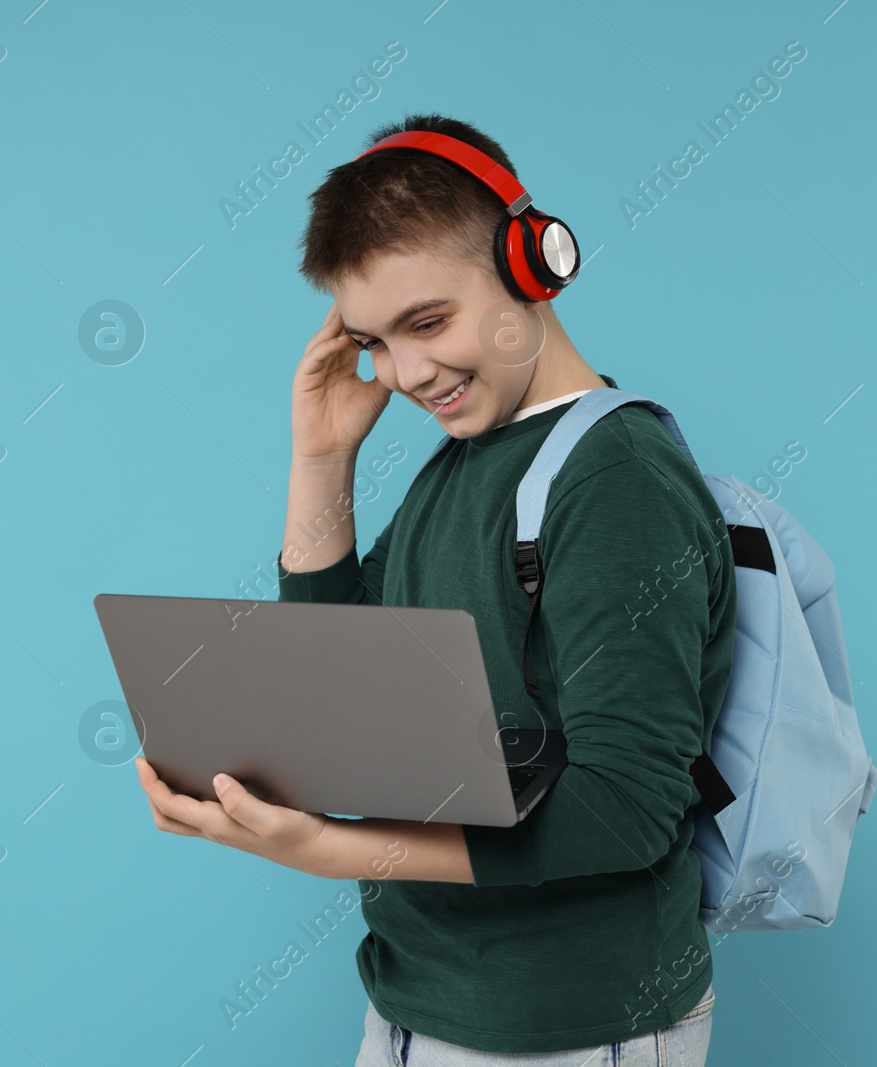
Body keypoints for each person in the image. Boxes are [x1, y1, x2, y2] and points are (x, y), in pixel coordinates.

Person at [135, 112, 737, 1065]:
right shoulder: (459, 467)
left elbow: (629, 808)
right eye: (374, 340)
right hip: (418, 1000)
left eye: (428, 321)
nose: (407, 373)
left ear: (531, 264)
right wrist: (322, 457)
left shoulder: (614, 478)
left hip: (566, 1029)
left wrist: (337, 851)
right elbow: (340, 688)